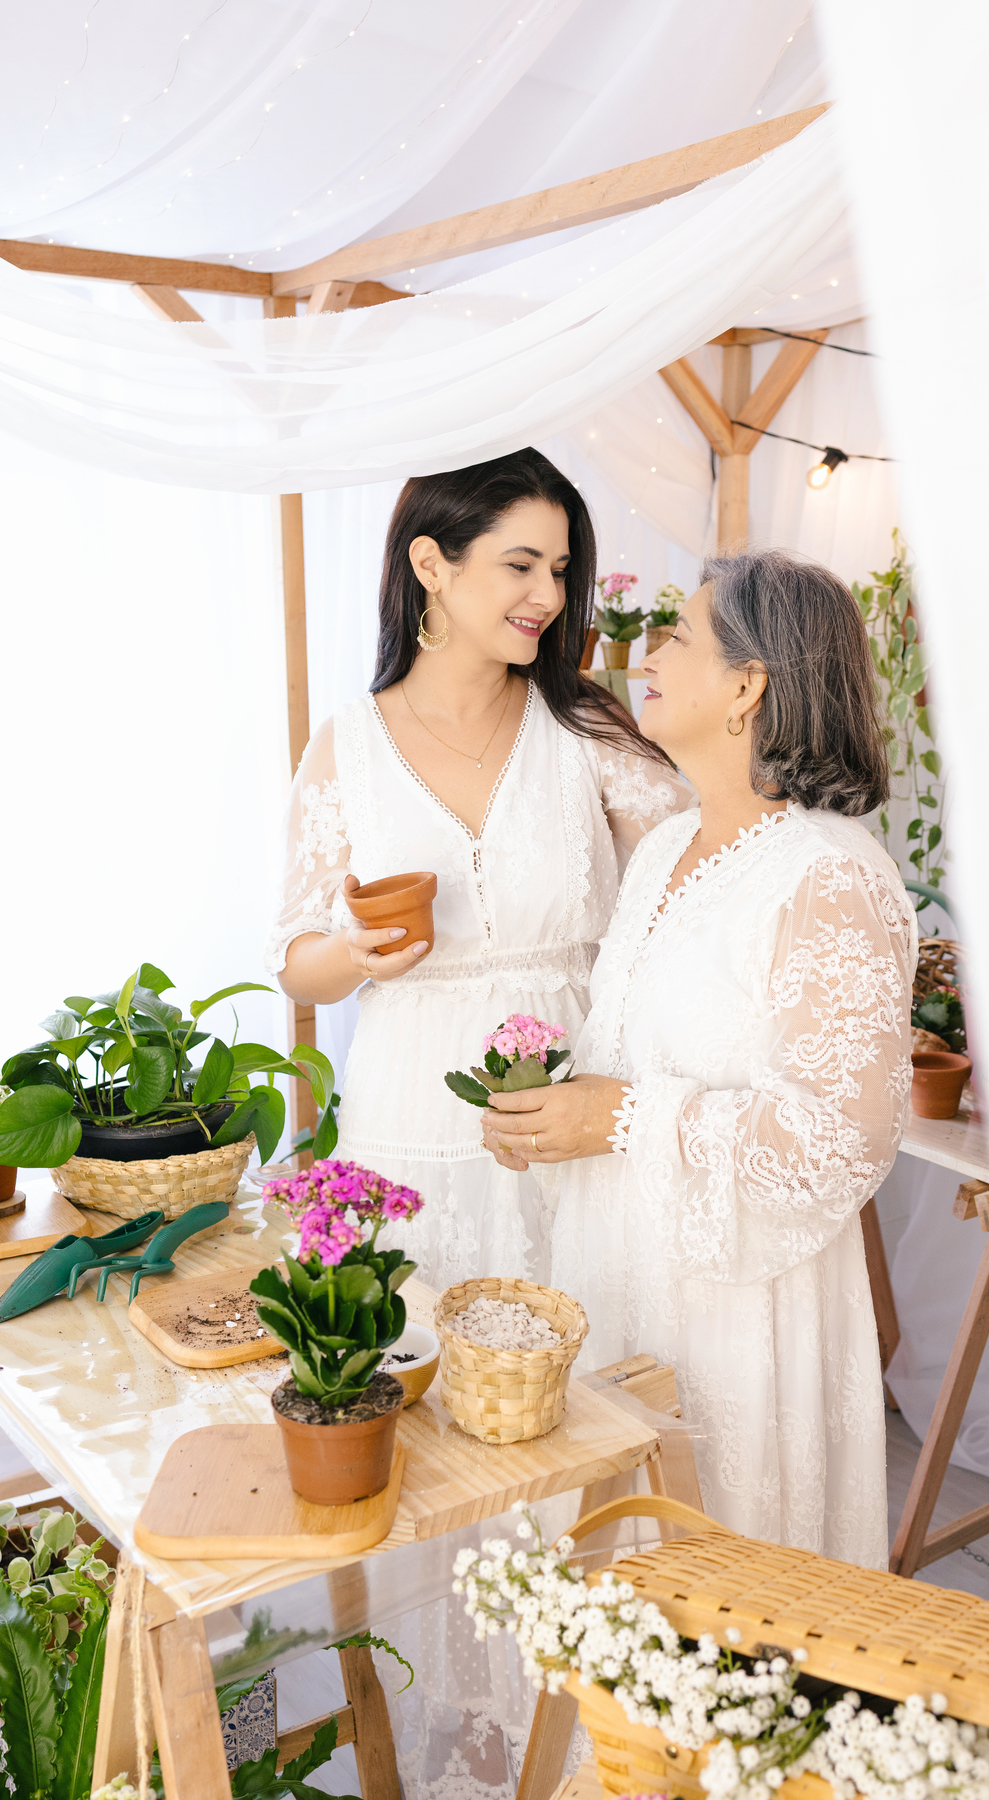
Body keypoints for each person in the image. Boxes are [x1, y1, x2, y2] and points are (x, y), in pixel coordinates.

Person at [481, 549, 917, 1566]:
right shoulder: (668, 849)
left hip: (740, 1319)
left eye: (679, 635)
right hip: (619, 1285)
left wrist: (621, 1116)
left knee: (713, 1621)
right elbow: (617, 1059)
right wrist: (549, 1116)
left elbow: (841, 1143)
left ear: (749, 685)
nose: (649, 654)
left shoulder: (829, 876)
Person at [268, 449, 690, 1288]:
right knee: (419, 1367)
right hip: (408, 1116)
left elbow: (701, 869)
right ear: (431, 564)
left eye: (561, 570)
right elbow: (296, 968)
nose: (551, 597)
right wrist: (354, 950)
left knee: (582, 1375)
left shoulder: (582, 722)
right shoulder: (345, 747)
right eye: (521, 566)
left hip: (566, 1107)